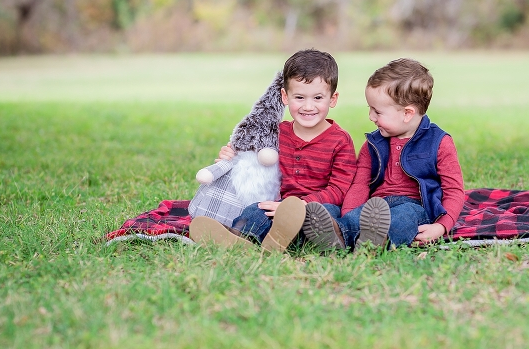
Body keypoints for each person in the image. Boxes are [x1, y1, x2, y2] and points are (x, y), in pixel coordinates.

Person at [189, 48, 357, 252]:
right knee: (254, 210)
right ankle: (241, 239)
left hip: (316, 206)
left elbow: (339, 189)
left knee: (321, 216)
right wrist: (231, 156)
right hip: (277, 203)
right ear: (285, 97)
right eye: (300, 97)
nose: (308, 106)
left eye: (318, 98)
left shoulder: (340, 140)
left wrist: (301, 205)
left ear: (333, 99)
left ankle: (291, 240)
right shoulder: (276, 133)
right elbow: (250, 155)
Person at [302, 58, 465, 251]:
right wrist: (348, 214)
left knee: (403, 220)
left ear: (407, 113)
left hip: (415, 207)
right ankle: (341, 233)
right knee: (359, 216)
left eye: (377, 112)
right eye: (370, 109)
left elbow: (454, 190)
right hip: (375, 207)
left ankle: (371, 242)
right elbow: (360, 184)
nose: (371, 117)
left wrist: (441, 226)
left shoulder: (439, 143)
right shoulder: (373, 144)